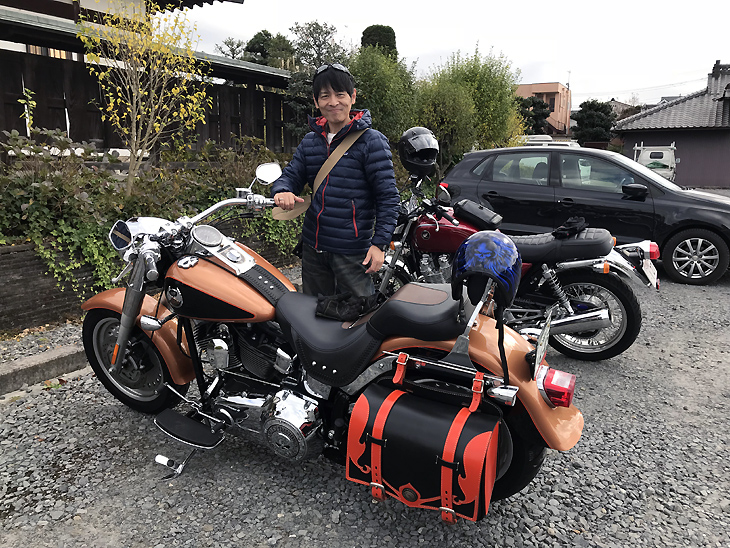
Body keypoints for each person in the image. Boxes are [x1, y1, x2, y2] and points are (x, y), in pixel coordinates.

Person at [271, 63, 399, 298]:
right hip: (313, 249)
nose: (333, 102)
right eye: (325, 96)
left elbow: (388, 197)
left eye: (340, 94)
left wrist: (379, 245)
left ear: (352, 97)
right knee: (313, 313)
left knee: (359, 315)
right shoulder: (310, 142)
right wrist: (282, 190)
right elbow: (291, 176)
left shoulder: (371, 142)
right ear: (316, 101)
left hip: (352, 253)